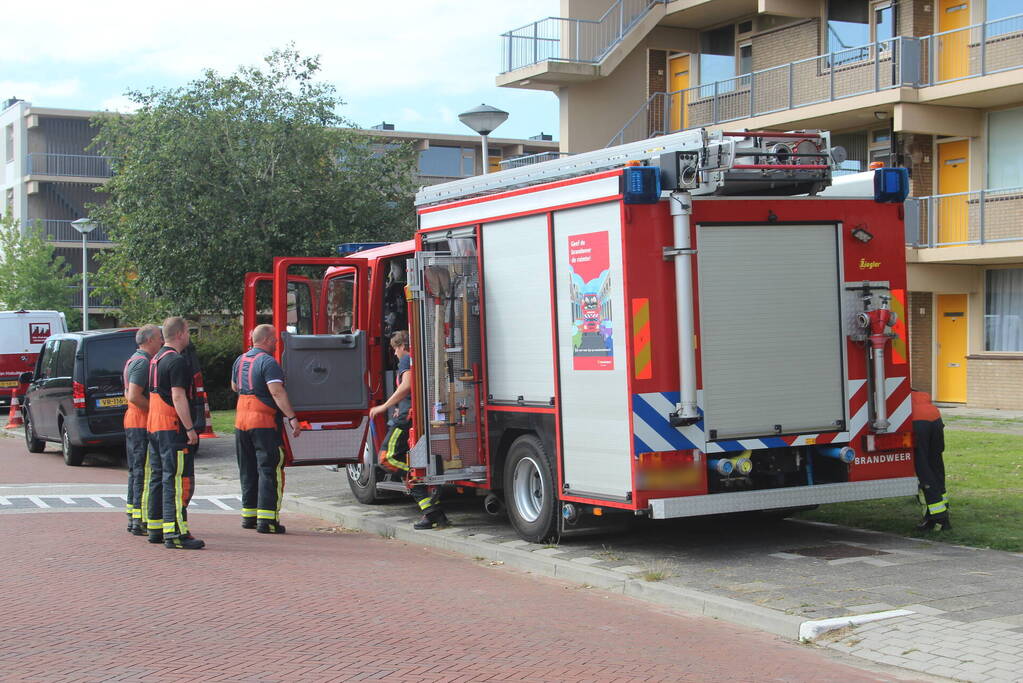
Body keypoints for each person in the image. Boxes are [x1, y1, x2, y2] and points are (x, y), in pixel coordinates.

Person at [369, 331, 450, 530]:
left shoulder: (406, 359)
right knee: (409, 460)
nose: (395, 353)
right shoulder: (420, 358)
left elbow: (406, 386)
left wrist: (383, 407)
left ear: (402, 346)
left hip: (406, 420)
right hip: (411, 415)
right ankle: (434, 512)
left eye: (395, 349)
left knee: (386, 459)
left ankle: (418, 483)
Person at [231, 324, 301, 534]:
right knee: (270, 469)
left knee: (248, 469)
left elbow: (235, 387)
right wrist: (292, 417)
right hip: (263, 423)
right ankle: (268, 521)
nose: (276, 345)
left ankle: (249, 516)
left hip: (240, 422)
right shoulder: (269, 363)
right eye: (275, 341)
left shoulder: (240, 360)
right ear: (268, 340)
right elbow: (277, 393)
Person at [148, 317, 204, 550]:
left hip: (154, 426)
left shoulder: (156, 359)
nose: (189, 336)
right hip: (172, 428)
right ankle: (177, 533)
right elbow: (178, 396)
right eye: (188, 332)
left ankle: (157, 527)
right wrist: (190, 428)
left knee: (160, 478)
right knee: (179, 481)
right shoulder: (176, 361)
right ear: (181, 333)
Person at [124, 324, 163, 536]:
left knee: (137, 470)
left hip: (135, 421)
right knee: (144, 471)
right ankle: (140, 518)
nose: (162, 342)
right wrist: (156, 408)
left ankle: (134, 515)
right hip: (141, 421)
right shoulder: (142, 363)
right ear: (149, 340)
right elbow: (134, 396)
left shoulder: (135, 359)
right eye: (158, 338)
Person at [911, 389, 950, 531]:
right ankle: (943, 508)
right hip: (936, 420)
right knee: (936, 465)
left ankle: (938, 518)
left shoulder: (902, 395)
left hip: (919, 422)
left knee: (923, 469)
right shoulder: (919, 394)